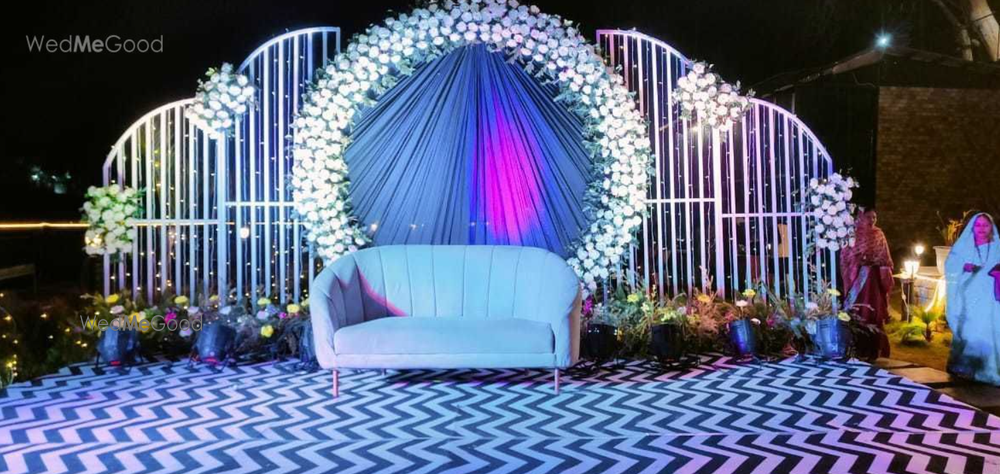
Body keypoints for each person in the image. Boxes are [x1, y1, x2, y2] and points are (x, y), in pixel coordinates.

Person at [945, 213, 1000, 385]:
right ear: (972, 227)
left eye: (985, 225)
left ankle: (986, 369)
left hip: (990, 299)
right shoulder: (964, 247)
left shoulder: (997, 247)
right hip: (968, 297)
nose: (982, 229)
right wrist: (964, 267)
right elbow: (950, 266)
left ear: (991, 227)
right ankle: (965, 368)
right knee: (970, 330)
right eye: (978, 225)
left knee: (987, 330)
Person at [842, 209, 894, 359]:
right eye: (869, 217)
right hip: (857, 281)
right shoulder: (852, 233)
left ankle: (874, 350)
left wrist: (879, 266)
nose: (872, 220)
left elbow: (885, 257)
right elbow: (846, 256)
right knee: (858, 312)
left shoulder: (878, 234)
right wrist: (858, 262)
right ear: (861, 217)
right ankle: (857, 348)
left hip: (874, 280)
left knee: (873, 312)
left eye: (874, 217)